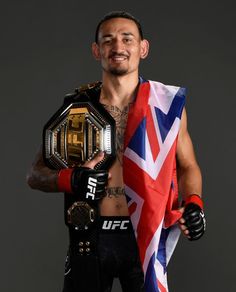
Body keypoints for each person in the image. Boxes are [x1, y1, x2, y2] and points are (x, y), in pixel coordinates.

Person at [27, 11, 206, 292]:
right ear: (96, 50)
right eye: (108, 40)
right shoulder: (76, 109)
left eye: (127, 39)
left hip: (145, 236)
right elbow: (35, 175)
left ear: (142, 48)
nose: (118, 47)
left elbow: (188, 165)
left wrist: (194, 202)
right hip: (90, 236)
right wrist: (73, 179)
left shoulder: (165, 107)